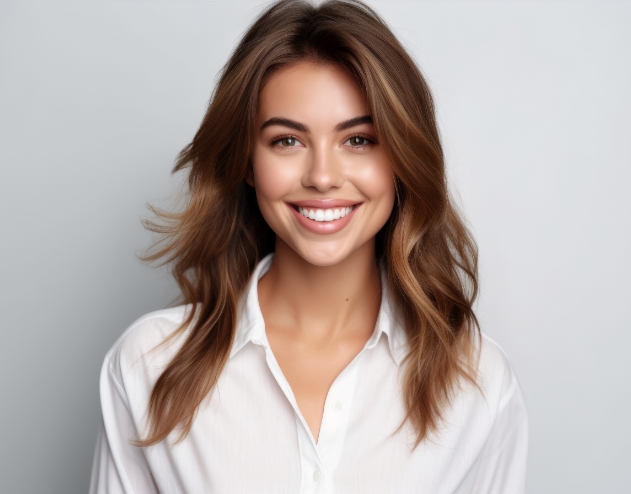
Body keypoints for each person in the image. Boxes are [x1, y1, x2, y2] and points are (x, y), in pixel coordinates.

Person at [89, 1, 528, 492]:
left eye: (358, 140)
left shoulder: (478, 383)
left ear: (401, 158)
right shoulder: (147, 367)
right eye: (287, 141)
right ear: (248, 163)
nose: (322, 177)